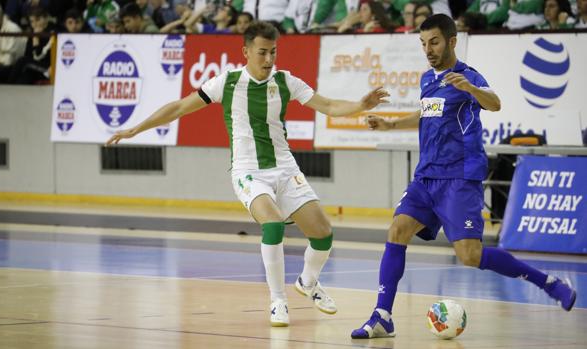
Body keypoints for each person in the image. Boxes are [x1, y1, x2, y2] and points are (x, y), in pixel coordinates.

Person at [106, 21, 389, 327]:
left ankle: (308, 282)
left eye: (273, 52)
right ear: (246, 52)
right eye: (262, 53)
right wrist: (136, 128)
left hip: (285, 167)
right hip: (248, 171)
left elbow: (330, 105)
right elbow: (177, 108)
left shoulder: (285, 81)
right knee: (274, 224)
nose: (269, 60)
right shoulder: (225, 83)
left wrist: (361, 104)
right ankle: (278, 300)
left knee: (323, 234)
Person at [351, 14, 577, 339]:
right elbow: (426, 114)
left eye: (435, 42)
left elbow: (495, 103)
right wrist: (390, 124)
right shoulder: (427, 80)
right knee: (397, 230)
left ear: (452, 41)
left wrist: (471, 88)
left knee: (469, 255)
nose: (428, 49)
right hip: (427, 175)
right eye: (424, 43)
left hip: (460, 176)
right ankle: (382, 315)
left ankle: (549, 283)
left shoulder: (467, 76)